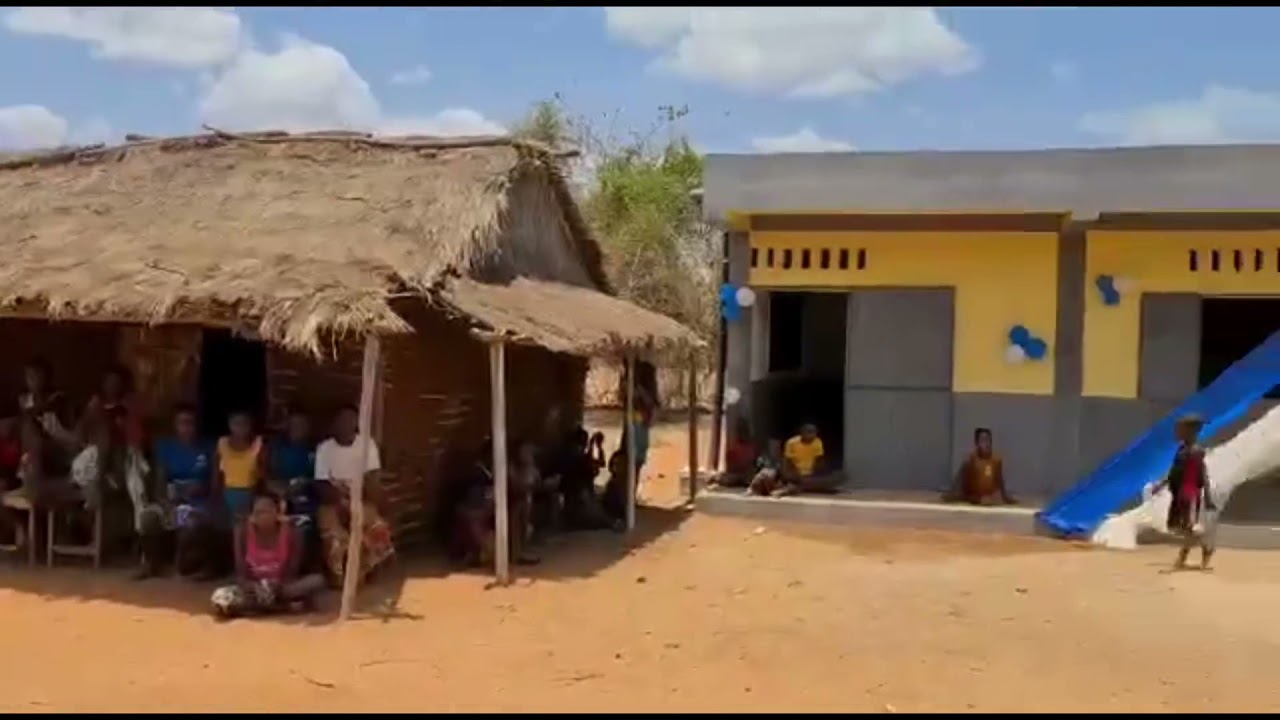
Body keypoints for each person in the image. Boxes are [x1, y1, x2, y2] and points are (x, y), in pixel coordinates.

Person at [210, 491, 326, 620]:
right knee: (220, 597)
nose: (263, 516)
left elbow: (292, 570)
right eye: (258, 512)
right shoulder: (242, 532)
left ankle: (262, 607)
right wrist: (254, 587)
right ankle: (284, 607)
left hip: (282, 588)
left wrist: (275, 587)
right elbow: (241, 572)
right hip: (253, 589)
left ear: (277, 513)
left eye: (267, 511)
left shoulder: (293, 533)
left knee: (317, 581)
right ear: (252, 516)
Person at [314, 405, 394, 584]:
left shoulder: (367, 444)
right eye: (341, 420)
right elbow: (322, 484)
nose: (346, 424)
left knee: (377, 529)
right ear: (334, 424)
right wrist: (341, 501)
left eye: (350, 420)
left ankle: (366, 569)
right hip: (333, 502)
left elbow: (372, 479)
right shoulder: (324, 449)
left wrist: (356, 500)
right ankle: (340, 576)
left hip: (361, 499)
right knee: (335, 537)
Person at [140, 404, 222, 580]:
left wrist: (201, 491)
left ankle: (199, 567)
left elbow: (215, 485)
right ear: (175, 425)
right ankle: (151, 564)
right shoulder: (166, 447)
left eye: (190, 423)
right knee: (148, 518)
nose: (186, 427)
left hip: (199, 502)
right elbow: (160, 482)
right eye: (182, 423)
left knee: (190, 523)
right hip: (172, 500)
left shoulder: (209, 447)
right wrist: (167, 504)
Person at [1150, 414, 1216, 571]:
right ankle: (1197, 551)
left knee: (1189, 527)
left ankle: (1196, 551)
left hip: (1190, 493)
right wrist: (1161, 484)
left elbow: (1203, 474)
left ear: (1191, 431)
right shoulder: (1182, 449)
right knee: (1179, 527)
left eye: (1180, 429)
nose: (1177, 432)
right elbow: (1174, 471)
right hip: (1179, 492)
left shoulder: (1196, 451)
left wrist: (1208, 497)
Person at [216, 410, 266, 522]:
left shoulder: (258, 444)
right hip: (227, 493)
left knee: (246, 524)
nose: (241, 427)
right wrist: (217, 495)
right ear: (230, 425)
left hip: (251, 492)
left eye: (245, 423)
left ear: (250, 425)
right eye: (236, 423)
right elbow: (217, 472)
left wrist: (257, 496)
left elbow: (263, 473)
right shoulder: (222, 443)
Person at [944, 427, 1016, 505]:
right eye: (983, 440)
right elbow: (959, 485)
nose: (987, 443)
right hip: (973, 500)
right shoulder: (970, 460)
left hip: (991, 500)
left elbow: (1000, 482)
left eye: (988, 440)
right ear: (977, 443)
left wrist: (1005, 497)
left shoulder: (996, 460)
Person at [269, 409, 318, 520]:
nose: (298, 428)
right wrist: (283, 488)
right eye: (295, 424)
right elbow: (271, 472)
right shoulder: (278, 446)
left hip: (305, 492)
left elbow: (316, 475)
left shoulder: (313, 448)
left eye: (302, 424)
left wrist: (304, 482)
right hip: (281, 490)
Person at [773, 422, 842, 496]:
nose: (812, 435)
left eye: (814, 433)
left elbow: (819, 459)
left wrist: (820, 472)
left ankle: (799, 486)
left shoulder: (817, 442)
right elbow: (787, 460)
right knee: (791, 477)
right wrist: (792, 474)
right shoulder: (791, 442)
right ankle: (794, 486)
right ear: (802, 432)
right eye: (809, 432)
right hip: (795, 473)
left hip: (810, 474)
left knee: (837, 476)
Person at [714, 417, 757, 489]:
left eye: (744, 430)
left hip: (747, 475)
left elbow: (755, 464)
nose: (743, 433)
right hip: (737, 475)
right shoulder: (734, 448)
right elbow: (731, 466)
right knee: (729, 478)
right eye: (741, 431)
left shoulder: (753, 447)